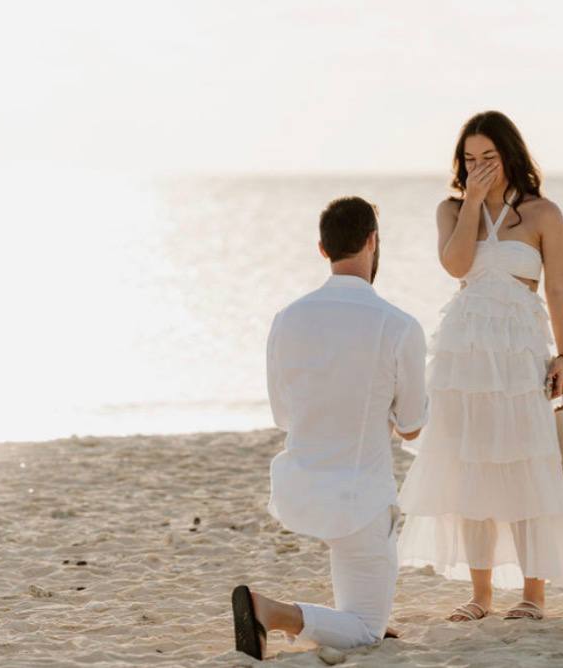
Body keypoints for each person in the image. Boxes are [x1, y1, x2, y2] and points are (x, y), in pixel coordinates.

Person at [396, 110, 563, 622]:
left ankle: (533, 594)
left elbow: (560, 288)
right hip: (464, 353)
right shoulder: (451, 209)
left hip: (521, 349)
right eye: (469, 159)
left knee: (528, 463)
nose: (478, 166)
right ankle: (480, 595)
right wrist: (474, 204)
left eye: (489, 157)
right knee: (471, 466)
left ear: (509, 155)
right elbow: (457, 266)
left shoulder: (544, 213)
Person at [232, 196, 429, 660]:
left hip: (298, 489)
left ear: (322, 249)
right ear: (372, 241)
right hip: (360, 501)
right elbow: (413, 426)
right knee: (367, 630)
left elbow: (284, 415)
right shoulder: (399, 325)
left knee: (356, 600)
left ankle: (340, 616)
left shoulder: (287, 318)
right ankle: (271, 612)